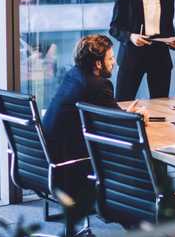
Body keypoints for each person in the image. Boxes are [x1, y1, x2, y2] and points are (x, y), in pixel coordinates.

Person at [42, 34, 148, 232]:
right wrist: (137, 117)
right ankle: (138, 219)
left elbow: (105, 114)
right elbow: (121, 129)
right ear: (98, 63)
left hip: (47, 159)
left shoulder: (74, 76)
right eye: (110, 58)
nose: (115, 62)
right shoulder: (99, 85)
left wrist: (123, 114)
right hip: (69, 165)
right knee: (132, 157)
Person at [109, 0, 175, 101]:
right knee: (123, 103)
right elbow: (114, 28)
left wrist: (173, 41)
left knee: (161, 107)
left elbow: (168, 27)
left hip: (159, 56)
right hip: (133, 55)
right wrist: (131, 37)